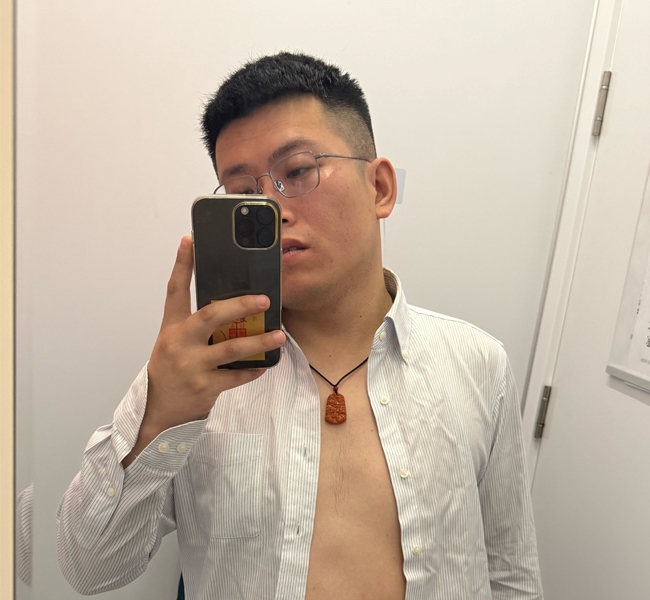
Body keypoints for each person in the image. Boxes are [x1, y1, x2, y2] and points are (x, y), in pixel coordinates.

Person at [57, 52, 543, 600]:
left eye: (298, 171)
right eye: (242, 194)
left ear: (380, 188)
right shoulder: (196, 378)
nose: (271, 207)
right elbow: (89, 566)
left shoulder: (477, 365)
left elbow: (510, 571)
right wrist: (158, 420)